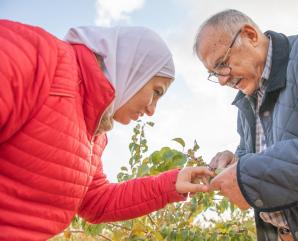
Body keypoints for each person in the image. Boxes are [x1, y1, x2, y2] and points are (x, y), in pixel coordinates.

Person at [0, 20, 214, 241]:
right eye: (157, 91)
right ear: (134, 68)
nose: (152, 110)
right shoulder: (39, 56)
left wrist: (172, 183)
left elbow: (95, 201)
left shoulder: (94, 132)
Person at [194, 9, 298, 241]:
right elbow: (260, 162)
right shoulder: (246, 104)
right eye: (215, 74)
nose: (222, 80)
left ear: (251, 35)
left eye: (222, 64)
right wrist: (236, 162)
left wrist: (250, 175)